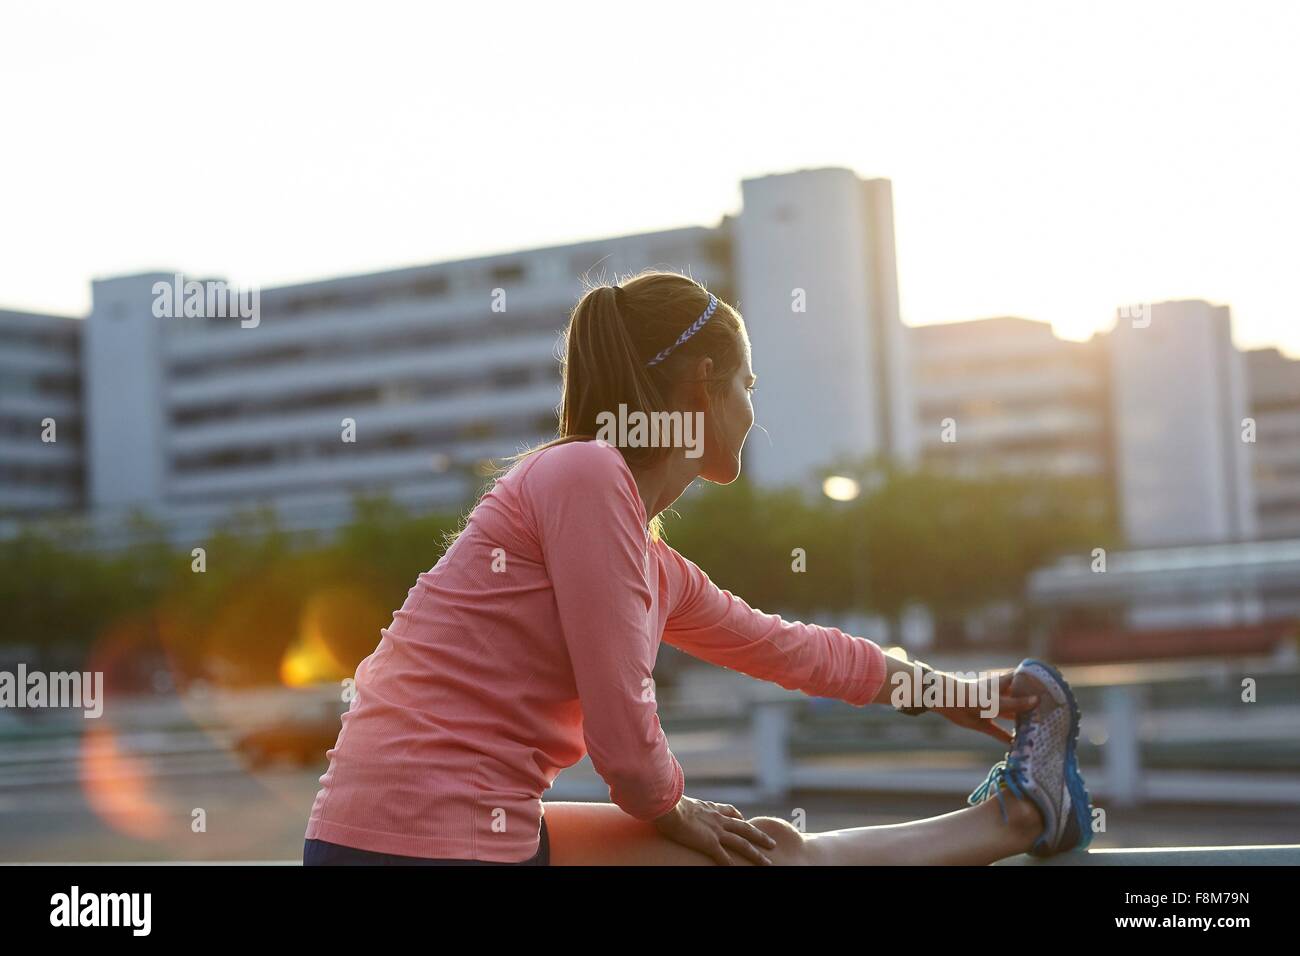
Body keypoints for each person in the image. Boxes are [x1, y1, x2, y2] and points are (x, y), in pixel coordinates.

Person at [303, 271, 1093, 865]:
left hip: (440, 831)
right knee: (725, 848)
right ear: (703, 385)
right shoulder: (586, 476)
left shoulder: (646, 557)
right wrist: (669, 805)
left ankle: (1026, 813)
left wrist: (953, 692)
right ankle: (1020, 819)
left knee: (759, 850)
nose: (754, 408)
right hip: (415, 844)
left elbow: (797, 650)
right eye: (748, 383)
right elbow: (621, 724)